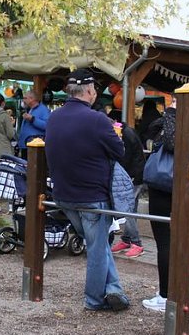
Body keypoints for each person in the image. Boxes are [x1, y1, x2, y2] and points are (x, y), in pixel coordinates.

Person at [45, 68, 129, 312]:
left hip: (63, 195)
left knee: (99, 244)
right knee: (96, 248)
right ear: (90, 91)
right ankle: (94, 300)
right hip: (92, 195)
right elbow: (119, 150)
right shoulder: (97, 119)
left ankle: (114, 288)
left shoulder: (54, 117)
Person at [141, 95, 177, 313]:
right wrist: (168, 115)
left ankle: (166, 295)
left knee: (165, 240)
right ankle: (168, 291)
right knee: (167, 240)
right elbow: (151, 130)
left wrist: (173, 113)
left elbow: (171, 142)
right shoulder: (174, 121)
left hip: (166, 185)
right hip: (169, 185)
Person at [107, 109, 147, 258]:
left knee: (127, 209)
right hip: (134, 175)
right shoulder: (126, 131)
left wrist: (127, 176)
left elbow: (126, 157)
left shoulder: (125, 135)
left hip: (132, 176)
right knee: (132, 208)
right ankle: (127, 238)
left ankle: (137, 242)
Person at [16, 90, 50, 159]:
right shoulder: (29, 109)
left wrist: (33, 119)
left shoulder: (43, 110)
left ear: (32, 99)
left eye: (25, 98)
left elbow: (47, 126)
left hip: (34, 148)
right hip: (25, 146)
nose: (23, 100)